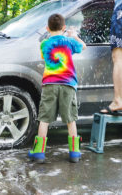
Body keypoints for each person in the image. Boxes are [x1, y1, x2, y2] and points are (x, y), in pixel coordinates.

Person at [28, 13, 87, 163]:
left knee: (45, 119)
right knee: (70, 119)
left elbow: (44, 57)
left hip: (49, 84)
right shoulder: (69, 42)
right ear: (64, 27)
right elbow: (83, 47)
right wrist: (74, 36)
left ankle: (39, 153)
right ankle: (74, 153)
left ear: (47, 28)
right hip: (68, 85)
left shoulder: (44, 44)